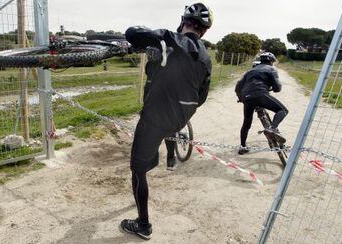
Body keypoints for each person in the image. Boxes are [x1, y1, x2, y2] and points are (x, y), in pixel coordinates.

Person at [120, 2, 213, 240]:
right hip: (181, 115)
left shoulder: (169, 38)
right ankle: (170, 157)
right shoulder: (206, 58)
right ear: (205, 30)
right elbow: (202, 96)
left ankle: (143, 224)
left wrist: (145, 35)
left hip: (154, 116)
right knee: (168, 131)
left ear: (183, 22)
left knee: (138, 170)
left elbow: (133, 33)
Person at [235, 52, 288, 155]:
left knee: (246, 123)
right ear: (271, 61)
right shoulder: (271, 69)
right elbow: (277, 88)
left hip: (246, 97)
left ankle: (242, 146)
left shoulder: (249, 71)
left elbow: (238, 86)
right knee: (282, 110)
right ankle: (272, 128)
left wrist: (241, 98)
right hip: (260, 94)